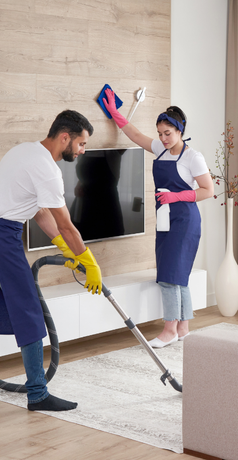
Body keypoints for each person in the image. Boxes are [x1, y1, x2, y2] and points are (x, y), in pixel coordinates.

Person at [0, 110, 102, 410]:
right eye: (81, 144)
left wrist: (63, 247)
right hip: (1, 241)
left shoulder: (24, 150)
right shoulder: (47, 169)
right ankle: (37, 394)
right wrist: (90, 262)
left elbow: (39, 211)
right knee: (29, 312)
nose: (82, 151)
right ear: (64, 137)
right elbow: (66, 224)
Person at [103, 88, 214, 348]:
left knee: (169, 276)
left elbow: (208, 190)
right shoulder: (160, 149)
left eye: (169, 133)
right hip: (165, 219)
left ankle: (169, 330)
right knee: (178, 275)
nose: (163, 139)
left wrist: (177, 197)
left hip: (185, 221)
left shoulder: (192, 157)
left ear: (181, 130)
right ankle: (184, 327)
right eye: (161, 133)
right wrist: (115, 113)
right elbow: (135, 134)